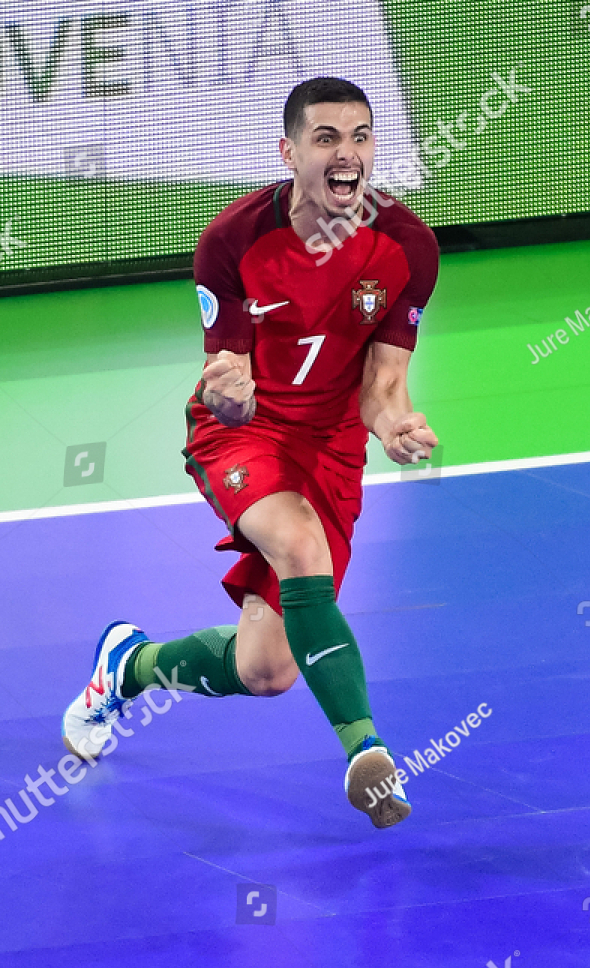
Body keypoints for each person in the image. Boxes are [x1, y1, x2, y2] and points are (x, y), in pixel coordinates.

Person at [62, 76, 439, 829]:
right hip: (244, 432)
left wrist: (393, 425)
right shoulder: (232, 242)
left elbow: (383, 384)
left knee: (266, 670)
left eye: (361, 137)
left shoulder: (407, 248)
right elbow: (228, 379)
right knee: (299, 543)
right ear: (289, 150)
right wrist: (231, 392)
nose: (348, 154)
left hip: (330, 447)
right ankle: (365, 750)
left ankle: (124, 668)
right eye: (326, 138)